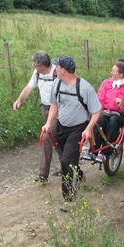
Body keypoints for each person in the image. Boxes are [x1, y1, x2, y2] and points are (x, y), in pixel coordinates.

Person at [42, 55, 101, 212]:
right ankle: (77, 173)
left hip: (78, 129)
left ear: (64, 70)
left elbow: (96, 112)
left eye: (58, 67)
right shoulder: (57, 84)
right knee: (66, 158)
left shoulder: (85, 88)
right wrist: (48, 123)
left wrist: (88, 129)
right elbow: (54, 105)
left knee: (67, 160)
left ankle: (70, 200)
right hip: (62, 127)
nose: (55, 69)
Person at [13, 51, 61, 183]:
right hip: (45, 109)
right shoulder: (38, 73)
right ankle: (68, 166)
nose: (34, 67)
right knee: (55, 138)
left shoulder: (57, 74)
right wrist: (19, 100)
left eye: (35, 65)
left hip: (58, 110)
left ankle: (43, 174)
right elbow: (29, 87)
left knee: (47, 137)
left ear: (43, 66)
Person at [91, 61, 124, 161]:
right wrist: (101, 108)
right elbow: (99, 98)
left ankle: (105, 152)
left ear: (121, 74)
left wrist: (121, 106)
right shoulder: (106, 83)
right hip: (105, 111)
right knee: (99, 120)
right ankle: (93, 150)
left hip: (120, 115)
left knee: (113, 121)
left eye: (114, 71)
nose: (111, 73)